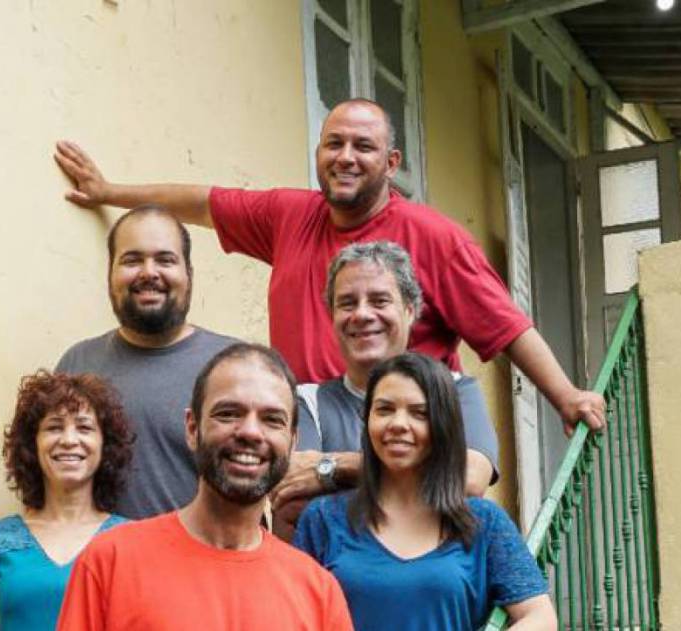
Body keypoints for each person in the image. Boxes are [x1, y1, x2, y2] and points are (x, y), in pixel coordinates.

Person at [53, 98, 605, 438]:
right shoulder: (289, 215)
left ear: (391, 164)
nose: (345, 157)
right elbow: (202, 202)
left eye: (363, 146)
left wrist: (565, 395)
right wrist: (109, 191)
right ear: (318, 154)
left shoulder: (434, 238)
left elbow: (507, 326)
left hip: (397, 435)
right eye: (333, 143)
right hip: (302, 436)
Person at [55, 344, 354, 631]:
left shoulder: (318, 592)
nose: (250, 431)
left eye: (272, 419)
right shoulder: (110, 562)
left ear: (292, 441)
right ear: (192, 428)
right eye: (228, 414)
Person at [293, 353, 555, 631]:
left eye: (419, 413)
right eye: (384, 409)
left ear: (443, 425)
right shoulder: (324, 518)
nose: (398, 424)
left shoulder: (483, 522)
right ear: (367, 419)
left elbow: (540, 618)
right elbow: (293, 615)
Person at [272, 241, 498, 540]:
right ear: (332, 316)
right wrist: (423, 478)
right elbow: (294, 502)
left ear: (410, 310)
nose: (362, 314)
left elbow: (467, 478)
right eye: (347, 303)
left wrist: (332, 467)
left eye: (379, 301)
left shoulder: (456, 392)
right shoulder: (306, 401)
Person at [54, 204, 237, 519]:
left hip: (205, 563)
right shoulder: (78, 363)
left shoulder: (237, 367)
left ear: (188, 274)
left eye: (165, 260)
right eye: (132, 260)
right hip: (102, 565)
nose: (149, 272)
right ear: (111, 272)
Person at [0, 371, 134, 631]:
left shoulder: (131, 540)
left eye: (84, 427)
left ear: (105, 444)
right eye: (54, 427)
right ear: (32, 445)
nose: (69, 440)